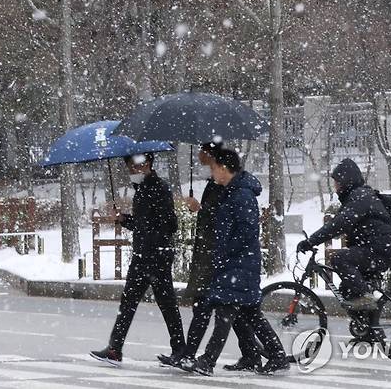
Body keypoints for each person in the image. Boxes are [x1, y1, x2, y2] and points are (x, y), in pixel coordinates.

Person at [182, 148, 288, 376]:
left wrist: (226, 254)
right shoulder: (232, 192)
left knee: (224, 312)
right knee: (251, 314)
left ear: (223, 168)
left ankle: (208, 361)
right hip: (239, 264)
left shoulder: (241, 194)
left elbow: (247, 230)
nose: (212, 173)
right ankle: (277, 356)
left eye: (213, 168)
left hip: (239, 265)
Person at [158, 143, 262, 372]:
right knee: (232, 309)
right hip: (215, 253)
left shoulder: (231, 189)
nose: (199, 156)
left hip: (220, 255)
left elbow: (228, 221)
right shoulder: (221, 184)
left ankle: (198, 357)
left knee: (214, 306)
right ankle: (252, 354)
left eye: (203, 152)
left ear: (216, 161)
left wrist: (201, 210)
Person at [90, 153, 186, 365]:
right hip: (142, 254)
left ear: (148, 164)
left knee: (166, 302)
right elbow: (143, 224)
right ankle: (115, 349)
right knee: (128, 301)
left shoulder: (159, 188)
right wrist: (123, 219)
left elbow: (170, 224)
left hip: (157, 255)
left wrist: (149, 233)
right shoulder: (142, 189)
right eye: (130, 168)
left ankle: (180, 349)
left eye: (135, 167)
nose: (132, 172)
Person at [297, 158, 391, 310]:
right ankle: (369, 329)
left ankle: (366, 298)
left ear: (347, 181)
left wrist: (311, 241)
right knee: (348, 290)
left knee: (339, 258)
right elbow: (340, 225)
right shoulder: (357, 196)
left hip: (380, 250)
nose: (335, 187)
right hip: (378, 249)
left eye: (337, 182)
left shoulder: (360, 197)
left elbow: (338, 224)